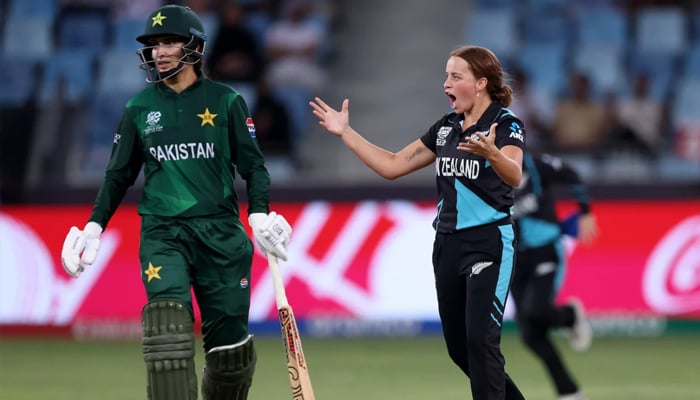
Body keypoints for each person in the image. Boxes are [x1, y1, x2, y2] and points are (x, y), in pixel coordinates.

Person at [59, 5, 292, 400]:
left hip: (221, 235)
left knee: (230, 356)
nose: (159, 51)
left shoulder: (226, 101)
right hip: (163, 233)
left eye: (169, 42)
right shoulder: (138, 108)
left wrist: (259, 214)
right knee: (166, 330)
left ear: (195, 46)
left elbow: (254, 167)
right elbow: (119, 175)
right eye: (153, 44)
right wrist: (94, 226)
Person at [310, 45, 526, 400]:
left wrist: (492, 153)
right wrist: (345, 133)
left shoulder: (505, 125)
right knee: (460, 349)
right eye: (446, 76)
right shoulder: (446, 129)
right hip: (447, 246)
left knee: (480, 342)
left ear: (481, 83)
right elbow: (392, 165)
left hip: (488, 243)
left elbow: (514, 174)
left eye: (455, 77)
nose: (446, 84)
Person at [511, 152, 598, 400]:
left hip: (545, 249)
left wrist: (585, 212)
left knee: (536, 310)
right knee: (531, 334)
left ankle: (570, 316)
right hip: (515, 258)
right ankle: (569, 391)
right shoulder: (488, 175)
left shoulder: (535, 166)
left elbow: (572, 174)